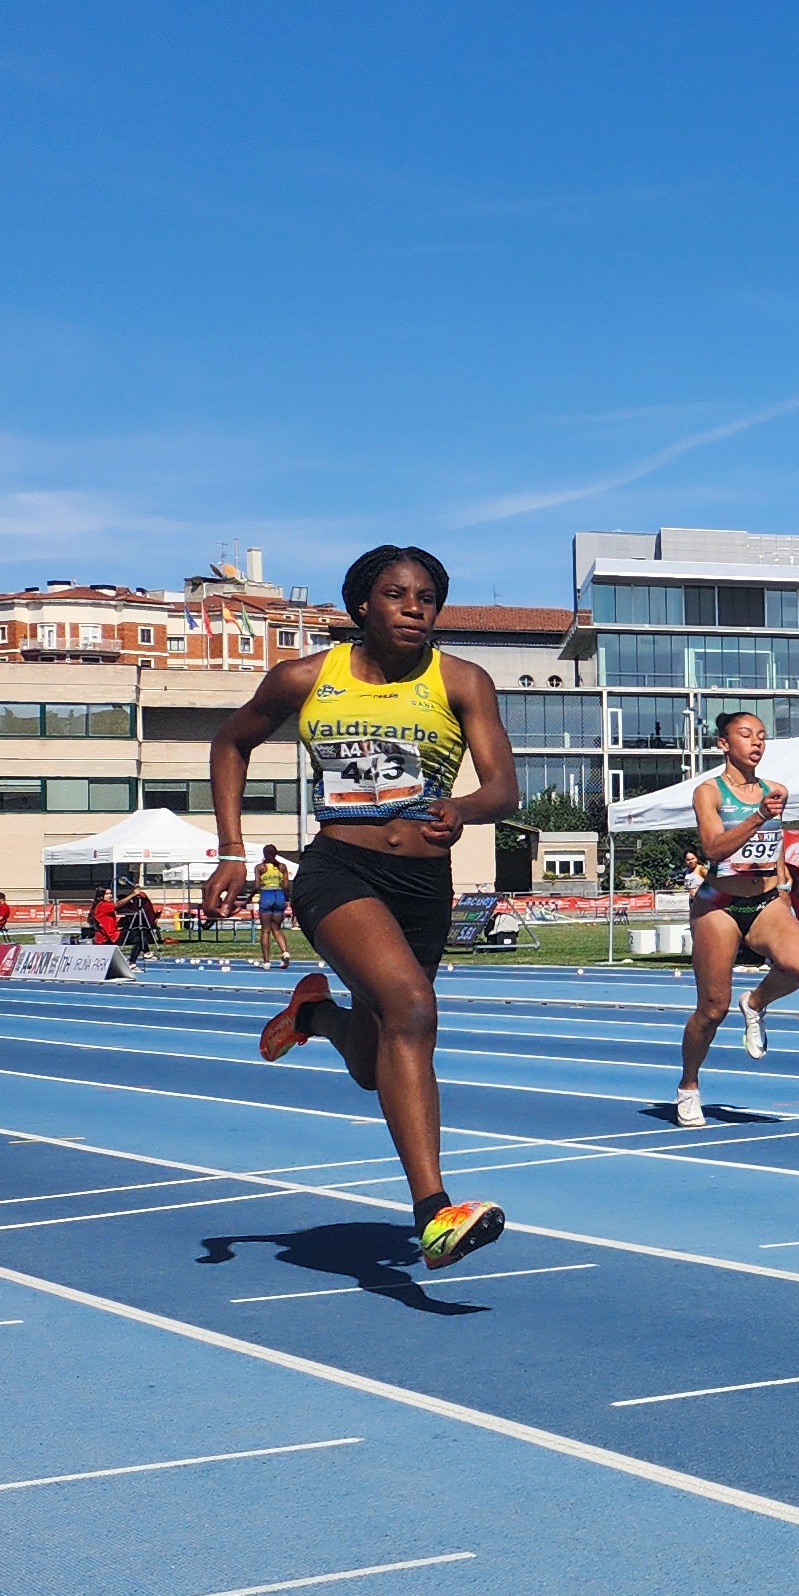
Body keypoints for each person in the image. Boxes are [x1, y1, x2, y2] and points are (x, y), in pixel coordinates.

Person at [198, 542, 520, 1273]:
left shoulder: (463, 680)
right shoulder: (309, 676)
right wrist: (229, 850)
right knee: (411, 1009)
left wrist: (462, 807)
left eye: (428, 599)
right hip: (338, 870)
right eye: (398, 595)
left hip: (422, 885)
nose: (415, 609)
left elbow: (505, 788)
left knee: (379, 1066)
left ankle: (313, 1016)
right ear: (362, 606)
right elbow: (231, 741)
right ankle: (436, 1213)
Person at [674, 708, 799, 1127]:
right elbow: (715, 850)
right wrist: (758, 816)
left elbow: (771, 849)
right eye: (745, 735)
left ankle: (755, 1003)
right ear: (724, 744)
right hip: (718, 902)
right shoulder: (710, 792)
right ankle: (688, 1086)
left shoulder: (777, 789)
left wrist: (785, 887)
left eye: (761, 736)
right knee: (712, 1009)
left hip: (765, 899)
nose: (756, 742)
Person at [251, 844, 294, 966]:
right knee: (276, 928)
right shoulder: (282, 867)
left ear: (264, 854)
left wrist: (250, 896)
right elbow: (286, 886)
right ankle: (285, 952)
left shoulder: (260, 867)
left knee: (265, 930)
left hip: (267, 895)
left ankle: (266, 961)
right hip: (279, 895)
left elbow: (257, 885)